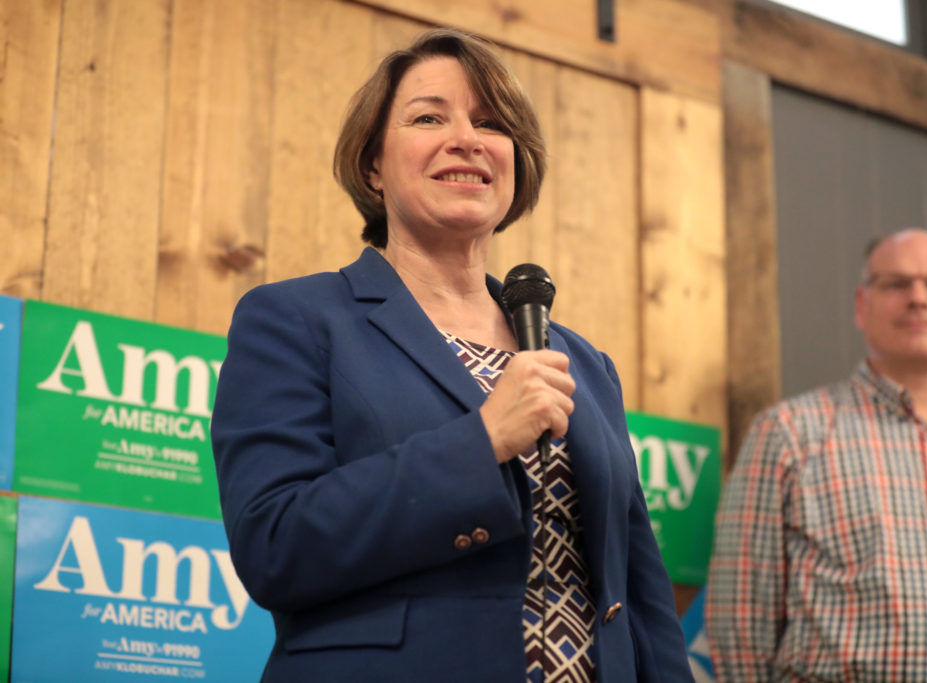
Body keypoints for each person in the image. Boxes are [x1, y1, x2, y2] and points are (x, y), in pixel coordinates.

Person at [211, 28, 692, 683]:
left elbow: (639, 591)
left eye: (491, 123)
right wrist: (482, 440)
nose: (466, 137)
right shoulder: (295, 319)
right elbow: (274, 544)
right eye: (429, 116)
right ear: (374, 165)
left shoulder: (582, 361)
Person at [706, 228, 927, 681]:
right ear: (861, 305)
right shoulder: (789, 436)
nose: (918, 298)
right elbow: (740, 625)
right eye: (895, 283)